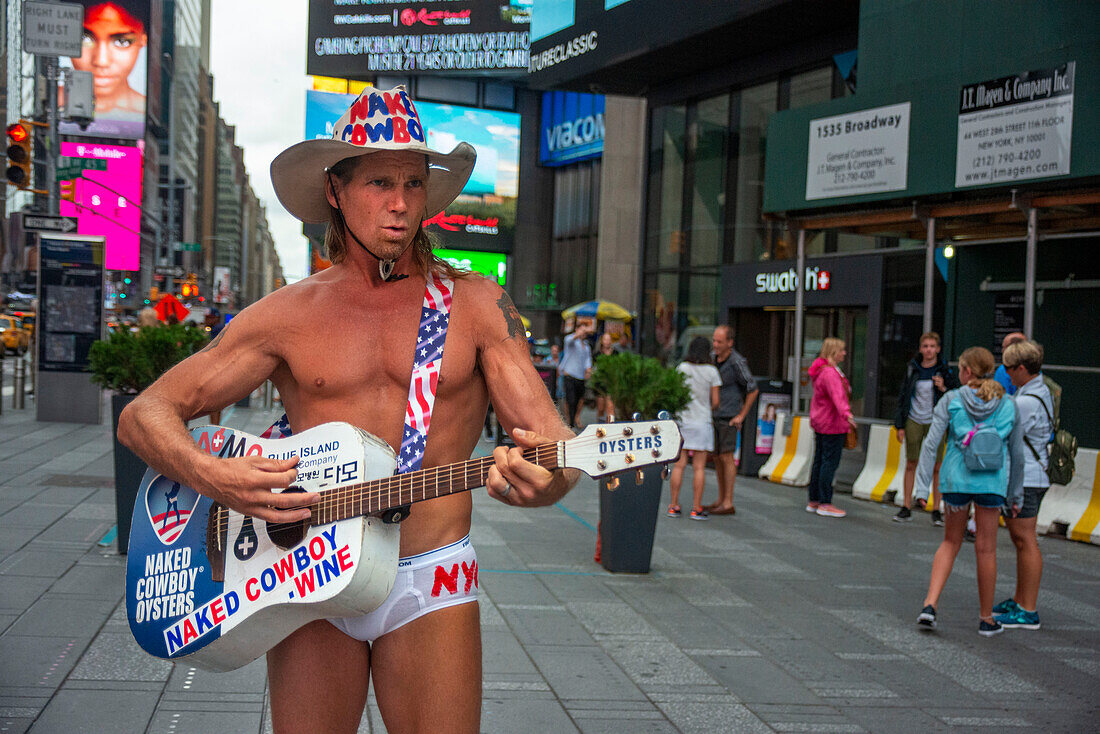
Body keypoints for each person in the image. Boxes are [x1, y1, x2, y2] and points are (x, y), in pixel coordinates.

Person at [117, 86, 580, 733]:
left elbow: (552, 442)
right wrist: (214, 478)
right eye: (381, 182)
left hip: (429, 574)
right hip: (305, 571)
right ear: (335, 189)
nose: (400, 203)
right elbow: (145, 414)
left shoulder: (475, 302)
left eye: (415, 183)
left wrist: (548, 480)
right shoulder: (287, 313)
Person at [914, 347, 1024, 637]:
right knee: (986, 548)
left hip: (956, 480)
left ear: (967, 372)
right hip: (991, 483)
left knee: (950, 542)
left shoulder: (951, 400)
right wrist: (1015, 496)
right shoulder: (1009, 404)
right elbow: (1016, 454)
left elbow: (930, 444)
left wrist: (922, 486)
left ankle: (930, 605)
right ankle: (986, 618)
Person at [994, 339, 1053, 630]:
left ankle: (1027, 609)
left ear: (1020, 368)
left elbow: (1003, 432)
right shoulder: (1039, 392)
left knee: (1025, 539)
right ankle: (1020, 599)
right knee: (1020, 540)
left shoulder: (1026, 402)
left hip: (1027, 478)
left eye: (1007, 368)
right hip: (1033, 474)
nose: (1005, 373)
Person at [893, 332, 957, 525]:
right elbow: (903, 395)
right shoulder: (913, 368)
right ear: (921, 349)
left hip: (935, 420)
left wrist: (943, 387)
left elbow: (954, 395)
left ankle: (936, 509)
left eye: (932, 346)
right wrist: (900, 424)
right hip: (914, 418)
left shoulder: (943, 370)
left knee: (937, 466)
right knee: (911, 462)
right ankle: (906, 506)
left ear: (938, 349)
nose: (929, 350)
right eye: (925, 346)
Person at [667, 336, 721, 520]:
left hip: (683, 422)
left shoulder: (682, 368)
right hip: (702, 422)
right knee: (699, 468)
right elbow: (715, 401)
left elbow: (674, 393)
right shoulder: (712, 371)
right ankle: (696, 508)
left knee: (679, 465)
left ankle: (674, 505)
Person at [706, 325, 758, 515]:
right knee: (718, 457)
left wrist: (741, 415)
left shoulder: (736, 362)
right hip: (715, 415)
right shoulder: (712, 359)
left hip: (729, 415)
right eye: (714, 340)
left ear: (730, 342)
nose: (715, 345)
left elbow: (752, 388)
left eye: (719, 341)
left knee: (727, 457)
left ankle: (728, 501)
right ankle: (721, 498)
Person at [70, 1, 147, 119]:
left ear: (143, 41)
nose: (101, 61)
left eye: (121, 42)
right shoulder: (50, 104)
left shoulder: (145, 114)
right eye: (84, 38)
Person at [807, 338, 856, 518]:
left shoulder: (821, 371)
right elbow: (838, 396)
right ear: (834, 352)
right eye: (842, 350)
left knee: (819, 460)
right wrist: (847, 414)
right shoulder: (830, 373)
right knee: (830, 462)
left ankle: (814, 500)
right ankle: (825, 502)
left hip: (821, 421)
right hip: (833, 423)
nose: (844, 353)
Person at [559, 321, 593, 429]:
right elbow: (570, 340)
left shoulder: (586, 346)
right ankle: (570, 422)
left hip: (580, 376)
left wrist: (588, 369)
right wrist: (580, 332)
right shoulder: (571, 340)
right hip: (570, 374)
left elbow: (587, 359)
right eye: (582, 330)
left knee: (579, 399)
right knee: (571, 400)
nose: (584, 333)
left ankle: (573, 420)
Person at [594, 332, 618, 422]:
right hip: (600, 384)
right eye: (605, 339)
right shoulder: (597, 354)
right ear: (602, 341)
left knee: (610, 408)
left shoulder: (616, 353)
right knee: (600, 408)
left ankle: (610, 427)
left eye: (609, 340)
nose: (607, 342)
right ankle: (599, 427)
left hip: (611, 383)